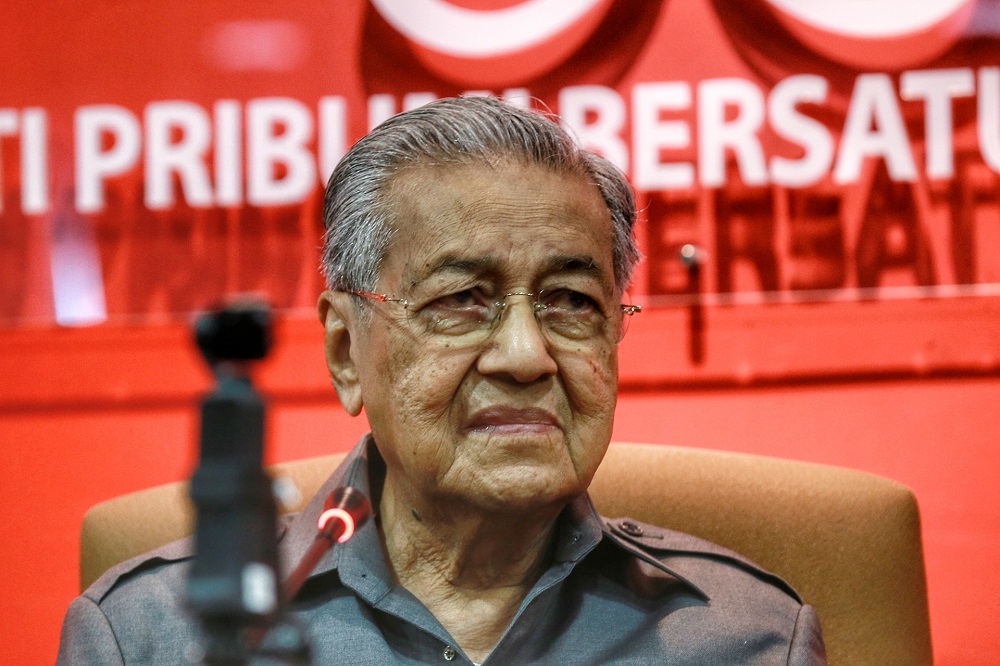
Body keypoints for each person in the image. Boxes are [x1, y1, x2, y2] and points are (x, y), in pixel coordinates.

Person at [58, 96, 826, 664]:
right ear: (344, 352)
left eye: (571, 302)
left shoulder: (746, 637)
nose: (525, 355)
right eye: (462, 300)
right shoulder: (153, 638)